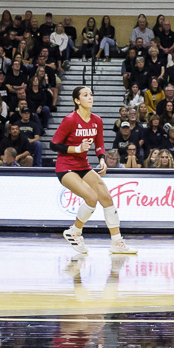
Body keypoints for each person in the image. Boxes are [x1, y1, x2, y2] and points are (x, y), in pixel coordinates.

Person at [51, 86, 136, 256]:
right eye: (85, 95)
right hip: (66, 166)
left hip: (84, 165)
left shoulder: (97, 120)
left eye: (91, 94)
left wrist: (102, 159)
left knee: (106, 197)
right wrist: (77, 149)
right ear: (77, 100)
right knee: (91, 197)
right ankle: (75, 231)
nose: (90, 97)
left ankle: (117, 242)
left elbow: (99, 144)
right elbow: (53, 144)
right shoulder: (70, 120)